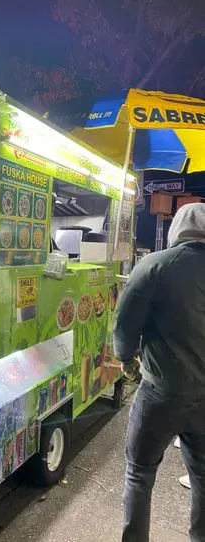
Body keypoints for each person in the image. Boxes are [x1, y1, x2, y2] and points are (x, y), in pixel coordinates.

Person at [114, 203, 205, 542]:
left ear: (178, 229)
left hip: (161, 394)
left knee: (139, 472)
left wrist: (125, 359)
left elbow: (125, 324)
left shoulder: (155, 265)